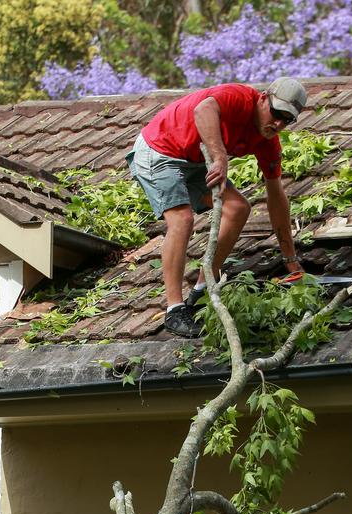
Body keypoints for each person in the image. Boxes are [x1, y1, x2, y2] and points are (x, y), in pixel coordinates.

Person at [127, 78, 307, 338]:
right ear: (263, 99)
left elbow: (276, 197)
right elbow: (204, 109)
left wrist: (291, 261)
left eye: (287, 120)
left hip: (194, 161)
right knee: (182, 219)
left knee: (238, 208)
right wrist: (220, 157)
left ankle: (201, 292)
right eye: (276, 113)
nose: (277, 124)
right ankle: (175, 310)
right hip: (159, 149)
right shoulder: (239, 97)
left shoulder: (268, 142)